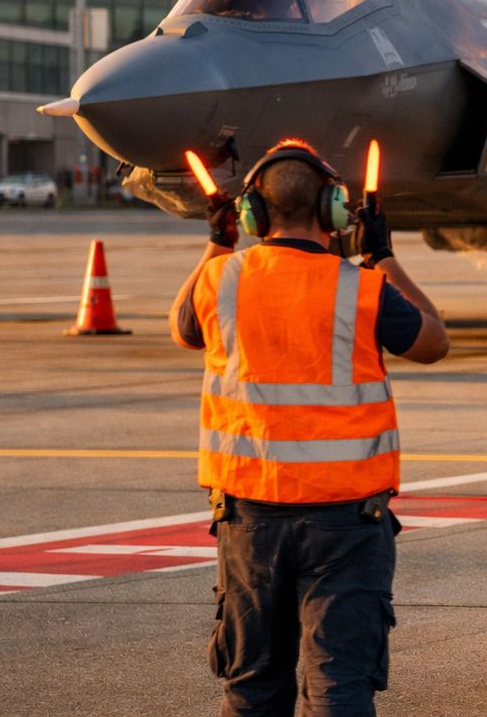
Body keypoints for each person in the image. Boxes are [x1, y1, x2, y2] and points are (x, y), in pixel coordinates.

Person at [169, 139, 449, 716]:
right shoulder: (361, 286)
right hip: (347, 521)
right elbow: (433, 341)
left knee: (250, 688)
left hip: (249, 516)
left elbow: (183, 330)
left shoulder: (220, 279)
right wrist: (382, 253)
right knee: (339, 687)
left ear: (253, 216)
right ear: (334, 213)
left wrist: (218, 241)